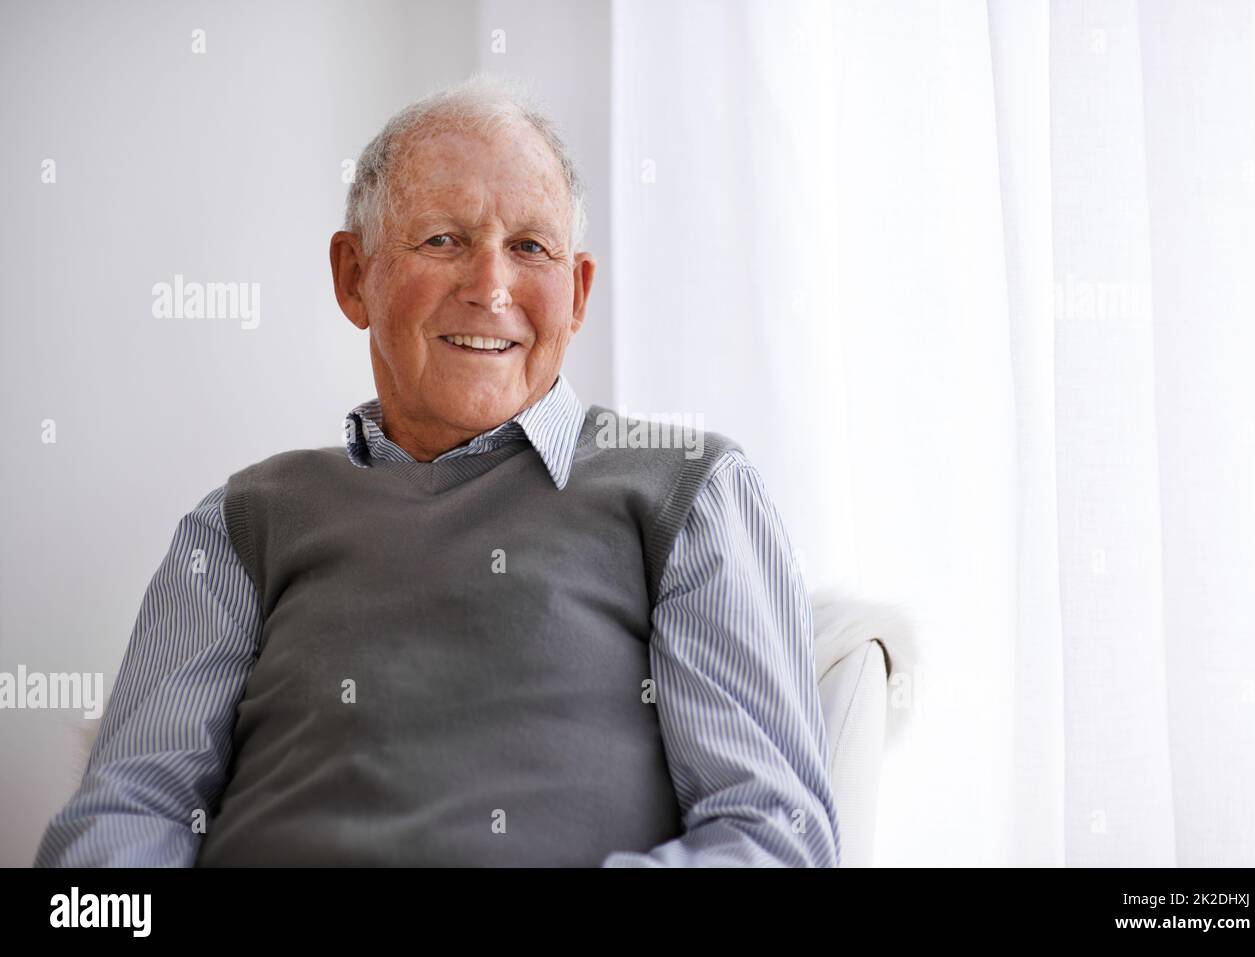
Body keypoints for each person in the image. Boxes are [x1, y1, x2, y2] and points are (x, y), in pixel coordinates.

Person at [34, 73, 840, 867]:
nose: (491, 288)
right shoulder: (242, 520)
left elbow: (772, 834)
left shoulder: (688, 493)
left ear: (579, 289)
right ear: (355, 277)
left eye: (529, 247)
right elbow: (126, 817)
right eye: (443, 240)